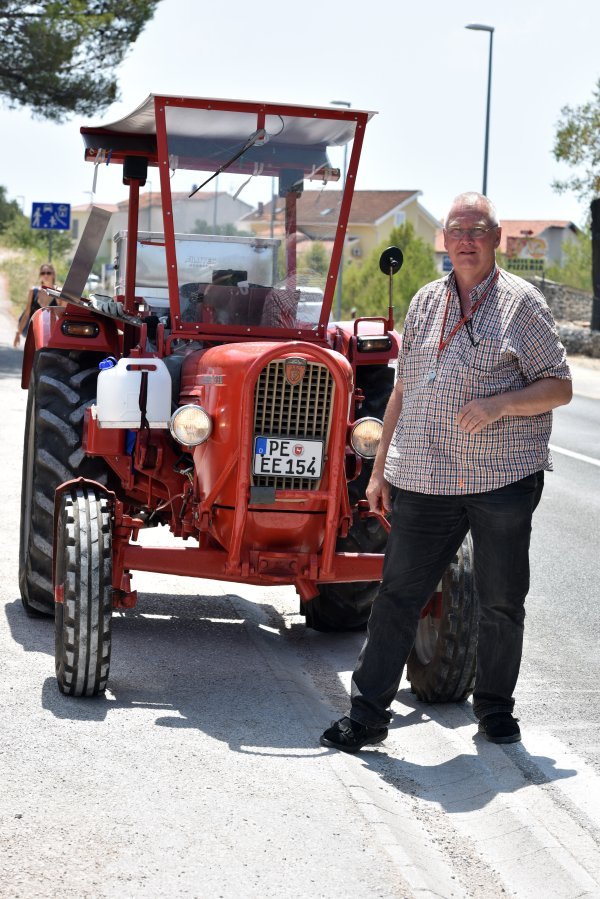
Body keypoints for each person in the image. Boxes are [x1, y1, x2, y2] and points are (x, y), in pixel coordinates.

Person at [320, 192, 573, 752]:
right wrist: (381, 469)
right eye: (456, 229)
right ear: (445, 240)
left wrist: (499, 405)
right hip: (426, 480)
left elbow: (560, 386)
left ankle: (495, 711)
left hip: (501, 479)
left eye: (477, 230)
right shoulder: (426, 301)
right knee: (397, 595)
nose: (465, 239)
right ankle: (366, 715)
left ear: (496, 238)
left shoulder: (522, 304)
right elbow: (403, 391)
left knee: (500, 600)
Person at [13, 263, 62, 347]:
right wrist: (18, 333)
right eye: (43, 273)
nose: (45, 275)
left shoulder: (58, 293)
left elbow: (61, 315)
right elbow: (27, 314)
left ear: (53, 275)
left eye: (48, 273)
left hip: (51, 335)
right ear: (40, 276)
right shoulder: (33, 291)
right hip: (34, 333)